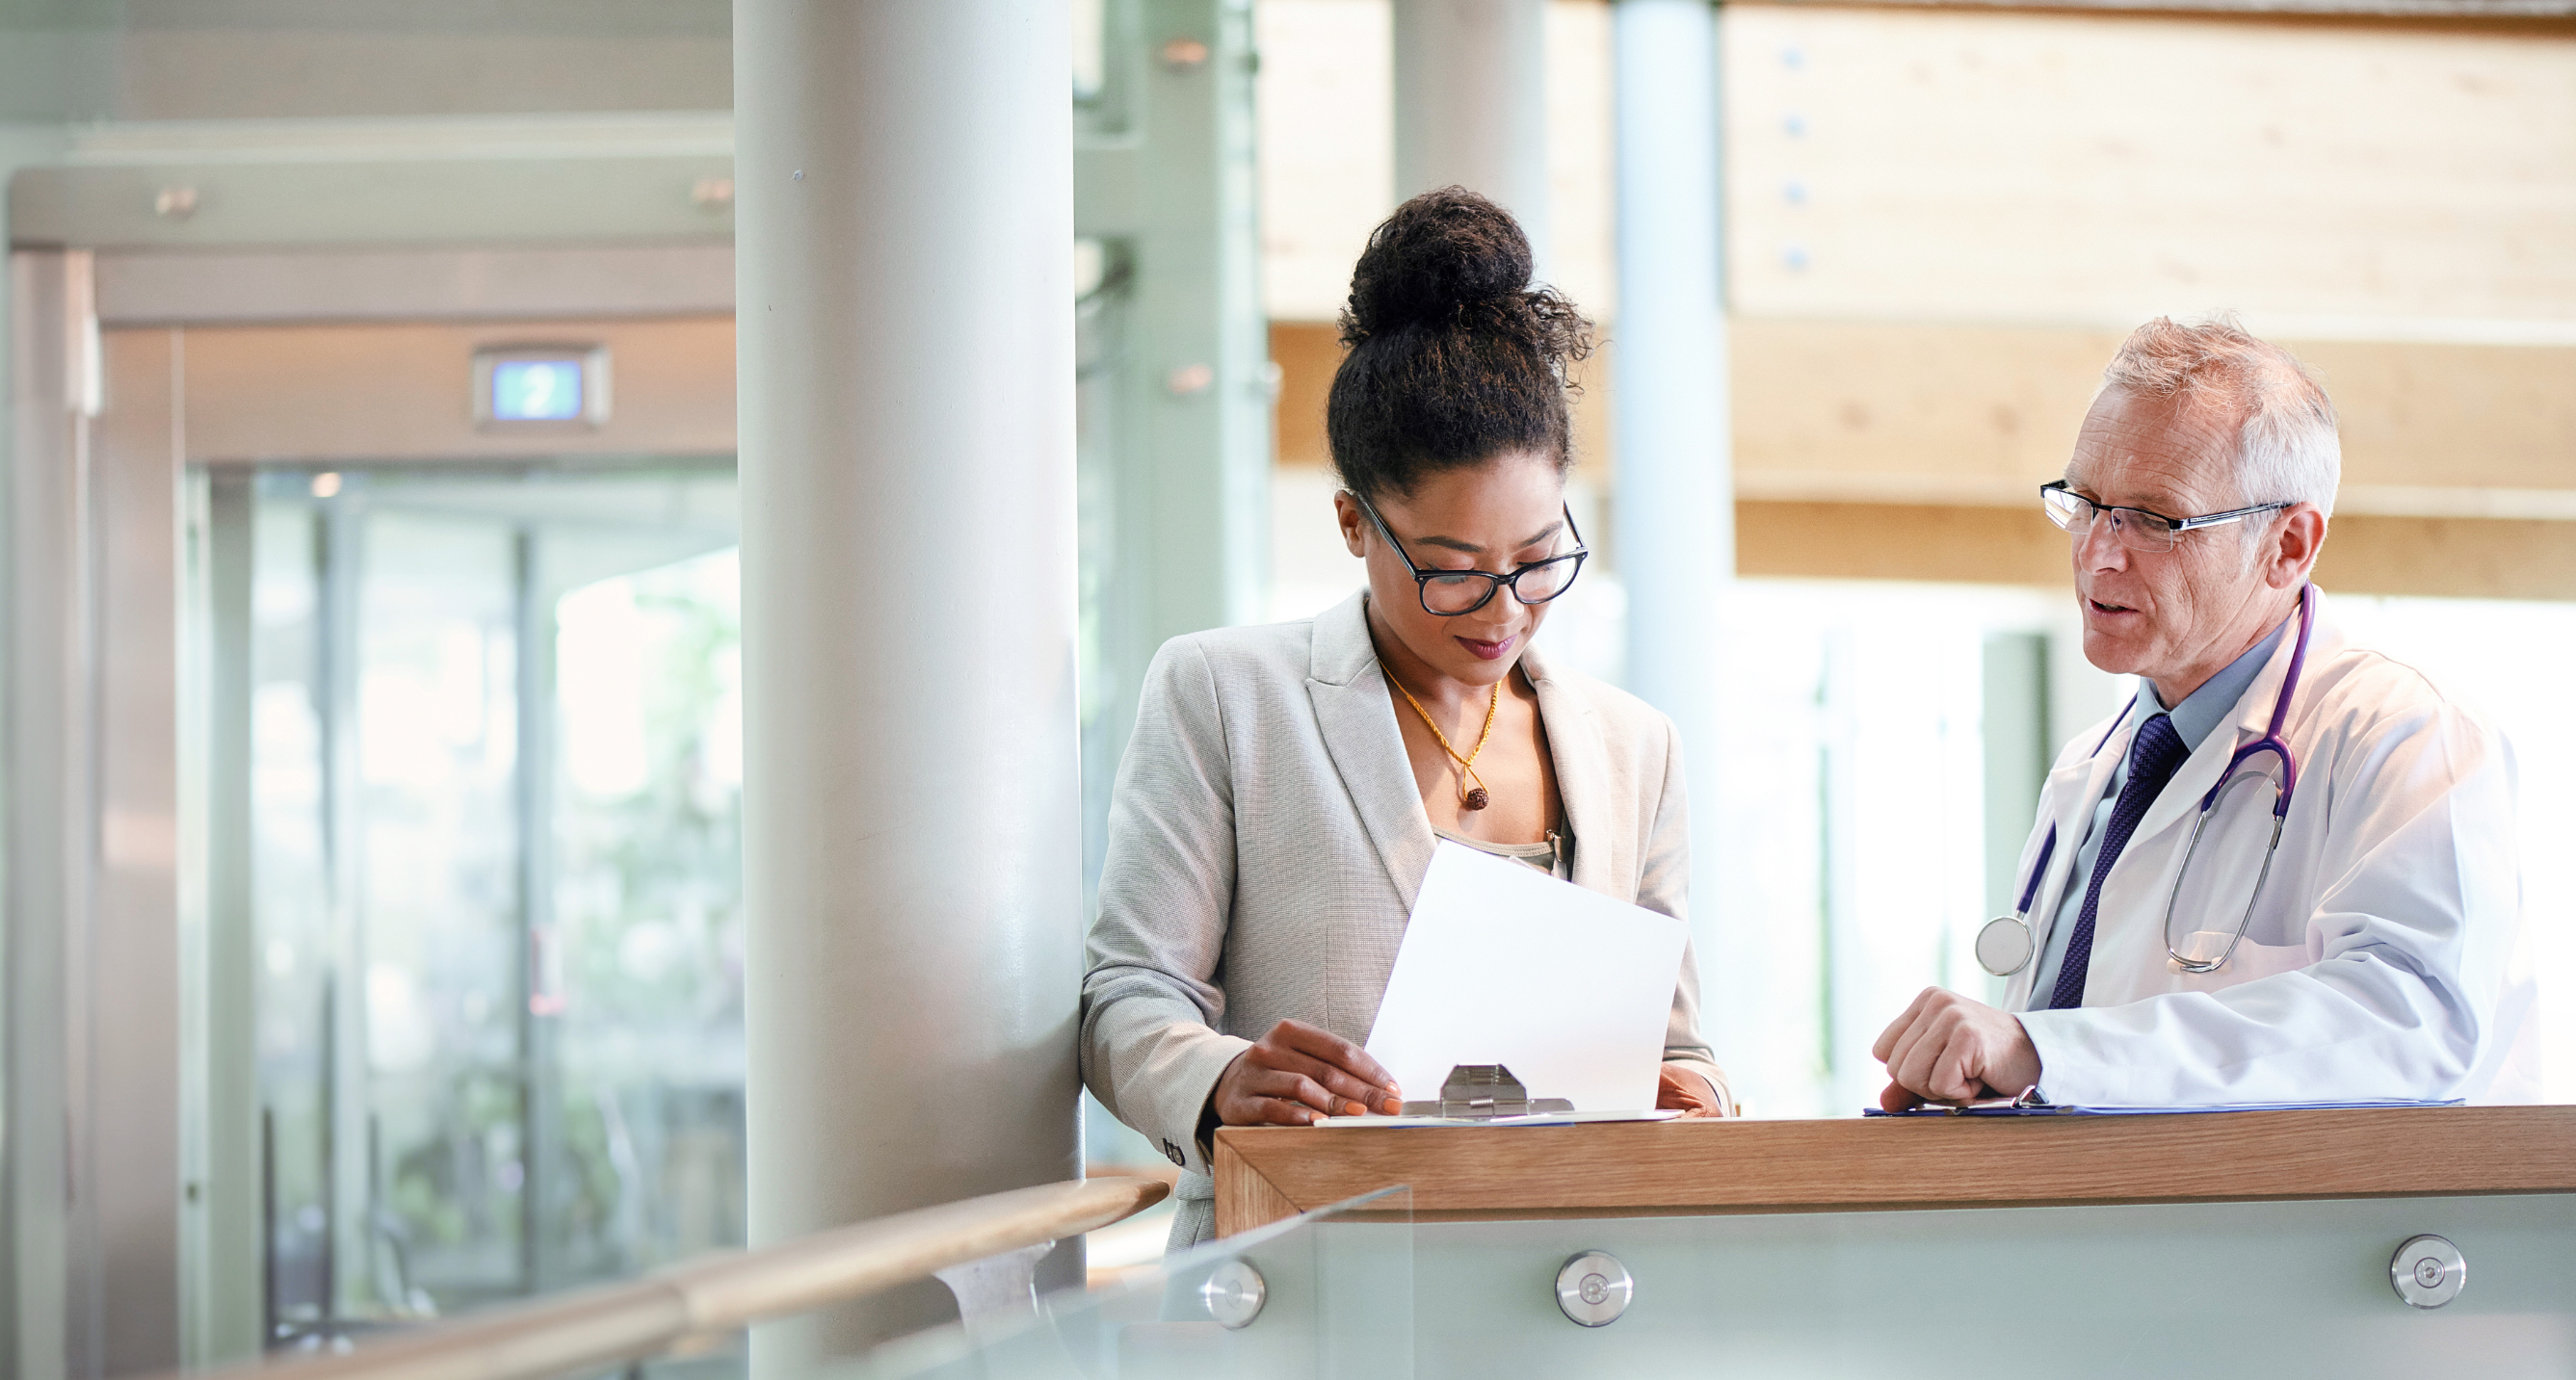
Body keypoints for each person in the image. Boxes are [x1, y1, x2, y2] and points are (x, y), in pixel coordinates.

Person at [1081, 188, 1732, 1241]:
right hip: (1306, 1267)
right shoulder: (1226, 696)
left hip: (1567, 1274)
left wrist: (1691, 1094)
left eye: (1536, 562)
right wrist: (1221, 1081)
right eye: (1451, 573)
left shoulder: (1632, 747)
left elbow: (1675, 1045)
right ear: (1352, 522)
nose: (1504, 610)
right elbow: (1126, 998)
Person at [1872, 318, 2537, 1108]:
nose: (2098, 554)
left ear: (2288, 545)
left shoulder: (2404, 735)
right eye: (2086, 502)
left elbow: (2411, 1020)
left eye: (2156, 519)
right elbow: (2075, 1071)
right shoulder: (2090, 771)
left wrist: (2044, 1051)